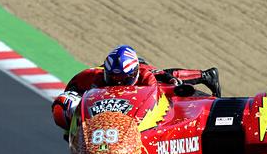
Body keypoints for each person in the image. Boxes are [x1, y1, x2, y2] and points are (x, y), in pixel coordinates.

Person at [51, 45, 221, 131]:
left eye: (123, 79)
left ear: (133, 73)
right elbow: (68, 93)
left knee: (174, 86)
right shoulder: (89, 76)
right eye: (113, 78)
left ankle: (207, 81)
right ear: (105, 72)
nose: (118, 83)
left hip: (148, 90)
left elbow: (162, 86)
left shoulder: (145, 75)